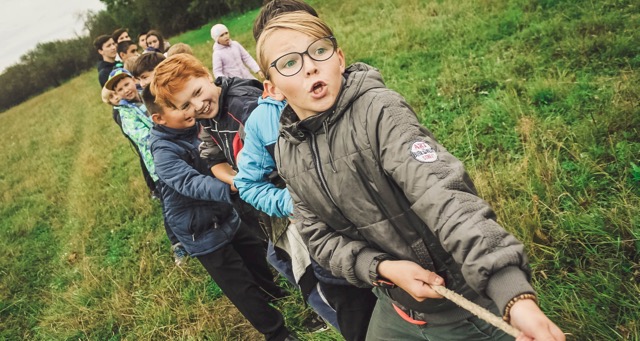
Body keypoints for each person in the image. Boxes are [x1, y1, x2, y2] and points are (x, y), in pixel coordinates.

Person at [256, 12, 566, 341]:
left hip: (456, 303)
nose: (309, 66)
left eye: (319, 51)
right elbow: (318, 238)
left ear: (340, 58)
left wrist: (513, 295)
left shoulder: (379, 112)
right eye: (289, 62)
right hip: (393, 304)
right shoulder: (287, 152)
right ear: (272, 88)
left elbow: (443, 196)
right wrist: (381, 268)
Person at [152, 53, 329, 334]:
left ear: (207, 75)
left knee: (307, 262)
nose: (197, 105)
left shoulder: (242, 103)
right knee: (280, 258)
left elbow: (284, 152)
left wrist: (249, 183)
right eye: (186, 105)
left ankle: (330, 311)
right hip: (265, 197)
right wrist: (241, 181)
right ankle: (321, 306)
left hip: (291, 194)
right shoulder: (207, 119)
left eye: (198, 92)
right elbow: (213, 159)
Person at [145, 86, 297, 341]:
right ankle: (276, 332)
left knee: (256, 257)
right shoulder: (163, 151)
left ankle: (273, 292)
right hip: (200, 230)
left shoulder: (200, 126)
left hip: (225, 213)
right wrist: (234, 186)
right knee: (239, 284)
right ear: (159, 118)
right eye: (178, 107)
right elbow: (189, 182)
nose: (188, 109)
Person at [104, 68, 188, 266]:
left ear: (134, 81)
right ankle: (177, 244)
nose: (125, 90)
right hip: (158, 164)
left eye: (126, 84)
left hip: (179, 152)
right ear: (115, 95)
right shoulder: (125, 113)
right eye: (119, 89)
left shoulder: (149, 97)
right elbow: (142, 137)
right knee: (170, 204)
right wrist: (168, 131)